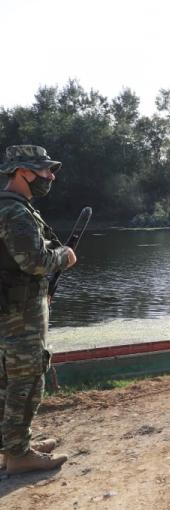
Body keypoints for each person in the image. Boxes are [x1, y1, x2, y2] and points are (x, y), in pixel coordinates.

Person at [0, 145, 76, 475]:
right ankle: (18, 455)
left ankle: (13, 446)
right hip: (18, 317)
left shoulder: (14, 208)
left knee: (7, 381)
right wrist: (64, 256)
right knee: (26, 380)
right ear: (23, 173)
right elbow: (33, 261)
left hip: (13, 308)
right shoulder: (15, 212)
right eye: (44, 171)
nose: (51, 176)